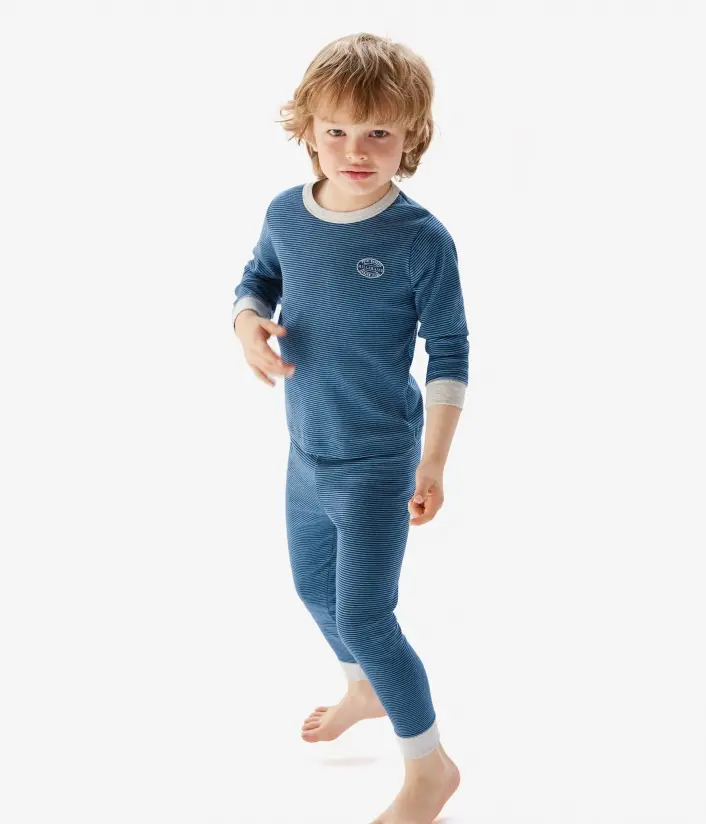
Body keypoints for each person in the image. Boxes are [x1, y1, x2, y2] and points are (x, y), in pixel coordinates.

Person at [232, 32, 468, 824]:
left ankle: (430, 768)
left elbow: (450, 350)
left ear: (411, 136)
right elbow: (257, 278)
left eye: (378, 133)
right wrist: (247, 323)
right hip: (306, 451)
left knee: (365, 613)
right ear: (307, 130)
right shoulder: (285, 213)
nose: (355, 150)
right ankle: (363, 688)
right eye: (335, 130)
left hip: (377, 459)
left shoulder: (420, 239)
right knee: (312, 588)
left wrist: (432, 463)